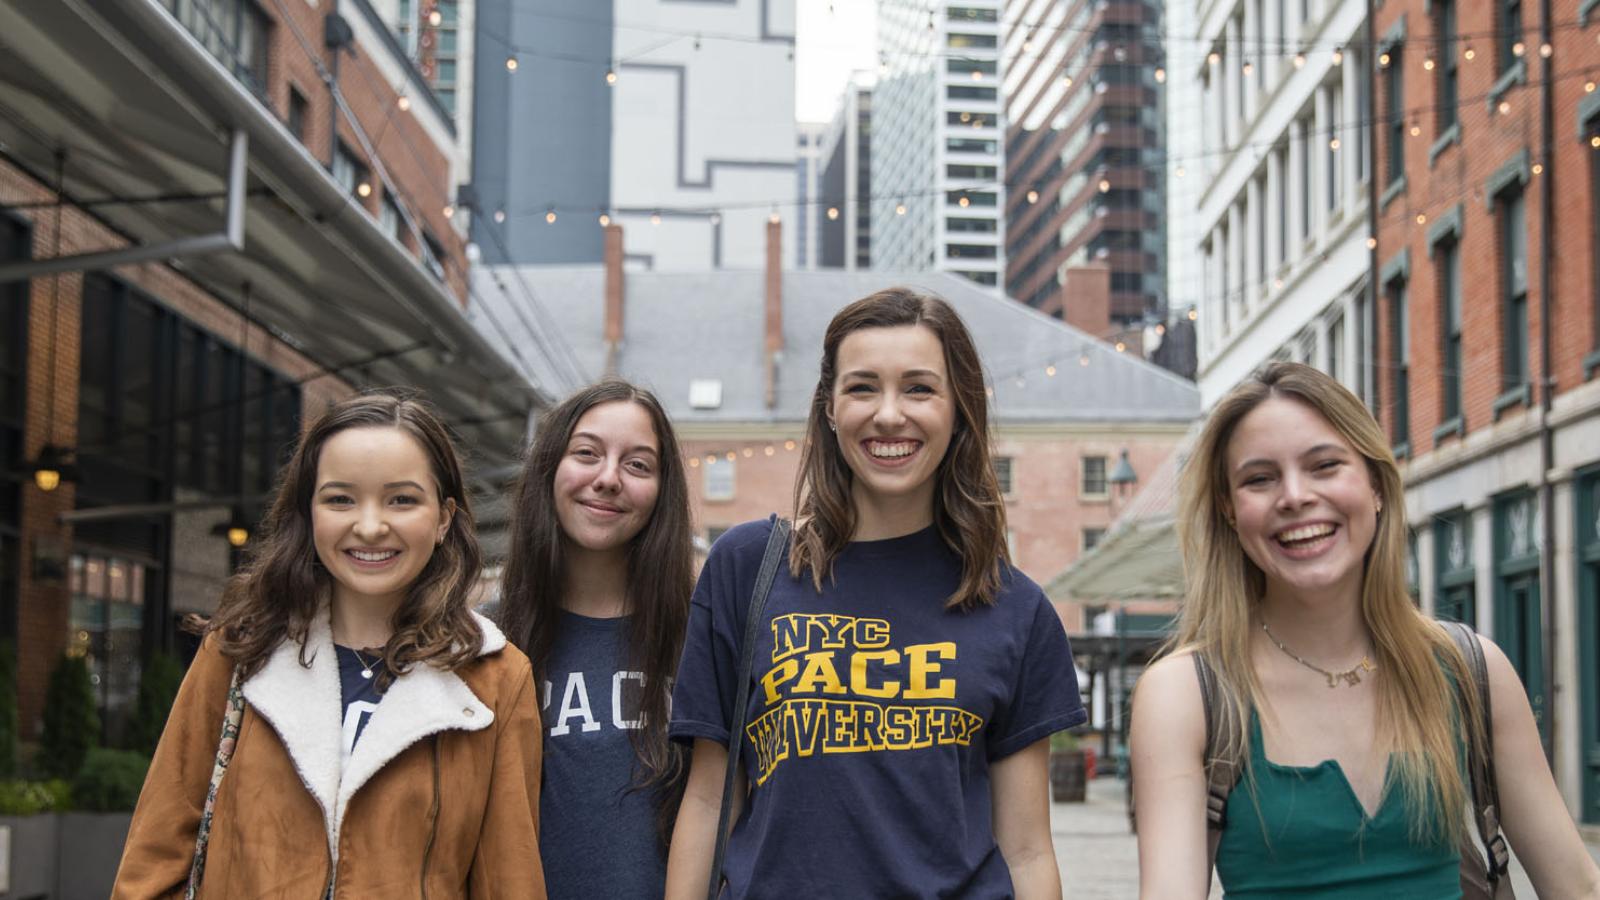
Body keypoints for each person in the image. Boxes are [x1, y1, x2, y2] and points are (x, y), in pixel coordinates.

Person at [664, 287, 1087, 899]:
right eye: (863, 387)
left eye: (919, 388)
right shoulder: (748, 568)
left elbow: (1026, 849)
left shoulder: (1016, 610)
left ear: (958, 407)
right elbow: (707, 802)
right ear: (830, 408)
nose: (890, 414)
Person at [1130, 362, 1600, 899]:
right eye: (1259, 479)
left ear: (1376, 485)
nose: (1294, 496)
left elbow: (1577, 887)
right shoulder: (1186, 693)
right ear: (1231, 511)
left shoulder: (1470, 669)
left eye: (1325, 465)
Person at [113, 392, 545, 899]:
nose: (369, 526)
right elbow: (153, 861)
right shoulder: (240, 651)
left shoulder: (494, 677)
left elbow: (508, 881)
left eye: (401, 499)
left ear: (444, 517)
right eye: (340, 498)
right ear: (309, 511)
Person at [497, 380, 695, 899]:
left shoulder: (702, 638)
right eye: (587, 453)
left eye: (638, 465)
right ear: (549, 469)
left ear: (661, 493)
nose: (608, 479)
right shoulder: (486, 641)